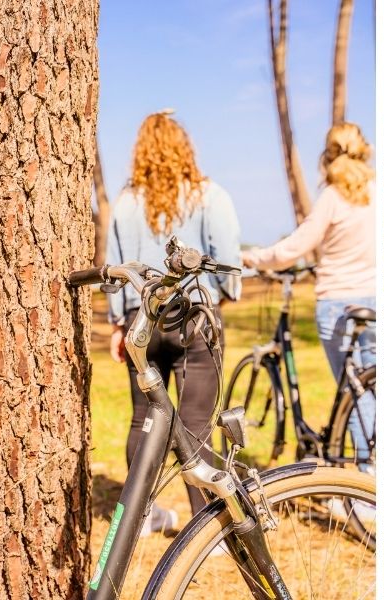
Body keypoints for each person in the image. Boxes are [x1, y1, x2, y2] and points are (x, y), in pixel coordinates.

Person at [106, 110, 241, 535]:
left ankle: (140, 518)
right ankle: (205, 528)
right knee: (196, 424)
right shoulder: (208, 195)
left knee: (142, 419)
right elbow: (230, 262)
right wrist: (223, 296)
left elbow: (116, 268)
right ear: (186, 148)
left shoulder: (126, 202)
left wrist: (117, 322)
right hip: (194, 319)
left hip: (141, 322)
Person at [242, 122, 376, 468]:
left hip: (338, 303)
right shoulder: (377, 189)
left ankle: (366, 483)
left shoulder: (333, 196)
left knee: (355, 396)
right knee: (369, 387)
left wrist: (253, 257)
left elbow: (296, 247)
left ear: (328, 155)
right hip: (375, 300)